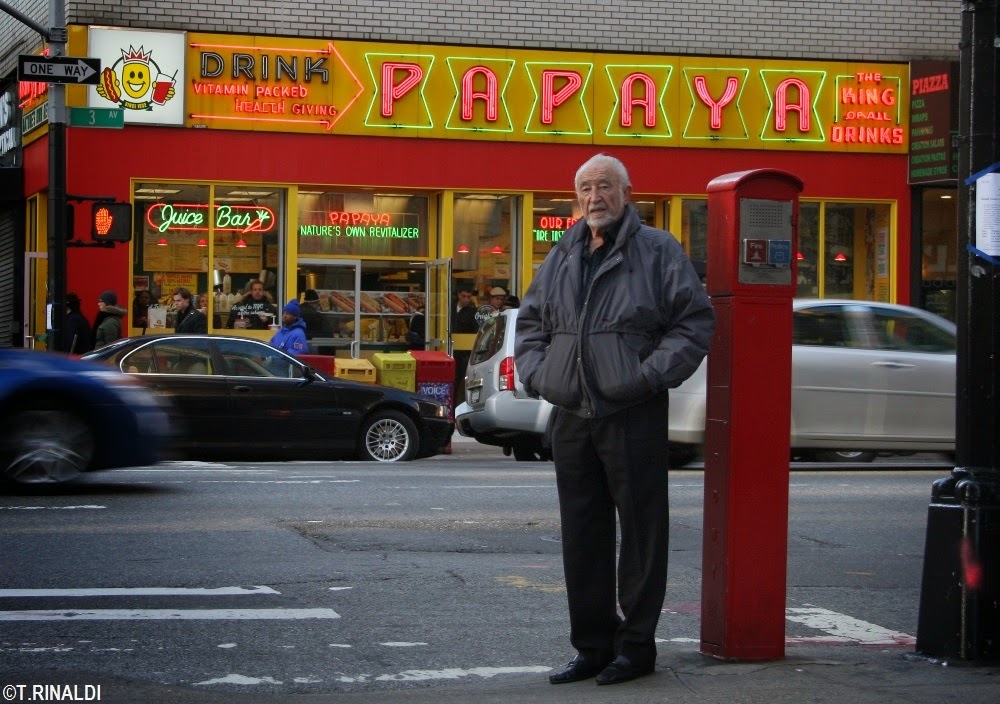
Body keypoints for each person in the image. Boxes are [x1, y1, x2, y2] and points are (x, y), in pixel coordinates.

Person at [514, 154, 714, 686]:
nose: (594, 196)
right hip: (572, 412)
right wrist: (542, 375)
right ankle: (594, 647)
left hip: (632, 409)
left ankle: (637, 648)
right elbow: (530, 323)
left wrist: (646, 378)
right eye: (585, 188)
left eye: (604, 185)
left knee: (642, 535)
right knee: (583, 535)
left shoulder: (657, 249)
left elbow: (694, 323)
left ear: (627, 192)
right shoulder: (563, 252)